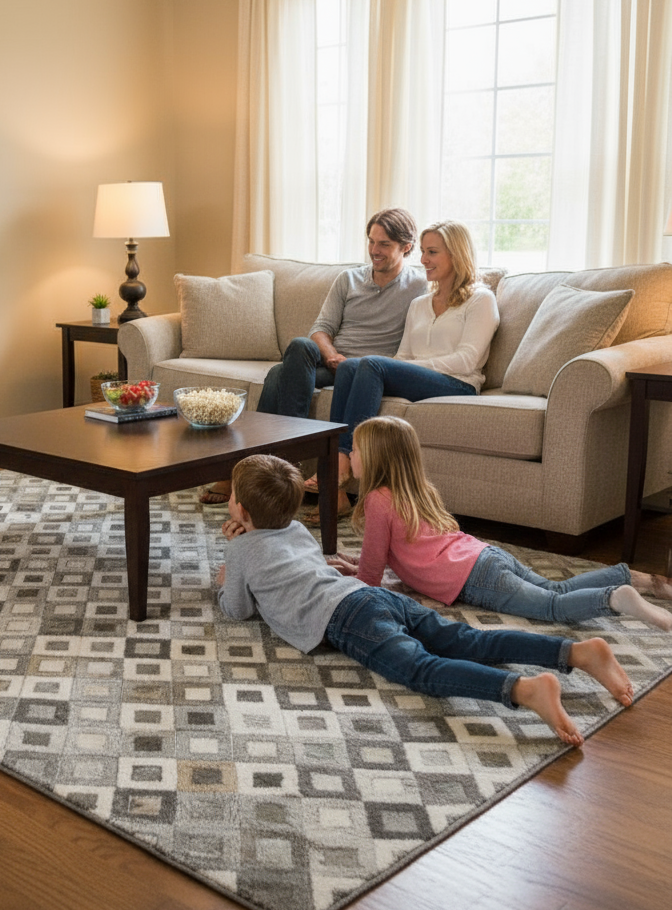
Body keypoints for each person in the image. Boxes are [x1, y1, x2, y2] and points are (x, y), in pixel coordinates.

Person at [215, 454, 634, 747]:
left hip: (347, 619)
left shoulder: (242, 550)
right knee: (468, 639)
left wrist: (226, 577)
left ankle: (524, 690)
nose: (230, 499)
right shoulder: (296, 531)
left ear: (244, 513)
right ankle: (577, 652)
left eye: (233, 495)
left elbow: (237, 609)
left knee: (421, 669)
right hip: (370, 595)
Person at [338, 416, 672, 630]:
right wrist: (357, 564)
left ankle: (616, 598)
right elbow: (394, 556)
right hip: (485, 555)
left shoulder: (377, 500)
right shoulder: (414, 490)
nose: (350, 455)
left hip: (474, 577)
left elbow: (371, 578)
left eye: (354, 449)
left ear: (375, 458)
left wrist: (348, 579)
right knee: (556, 589)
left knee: (553, 607)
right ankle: (643, 580)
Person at [198, 207, 427, 505]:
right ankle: (287, 460)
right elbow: (321, 328)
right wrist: (331, 355)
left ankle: (249, 471)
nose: (374, 251)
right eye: (371, 241)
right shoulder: (350, 279)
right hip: (331, 362)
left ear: (406, 247)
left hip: (365, 370)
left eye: (384, 244)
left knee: (279, 375)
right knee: (299, 345)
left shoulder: (419, 287)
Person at [327, 220, 499, 517]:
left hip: (457, 383)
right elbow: (403, 354)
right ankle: (339, 487)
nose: (423, 260)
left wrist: (411, 367)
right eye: (422, 251)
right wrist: (405, 367)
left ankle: (342, 460)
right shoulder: (419, 304)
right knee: (349, 368)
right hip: (420, 380)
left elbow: (468, 359)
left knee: (371, 364)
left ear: (456, 255)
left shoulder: (480, 299)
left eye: (432, 252)